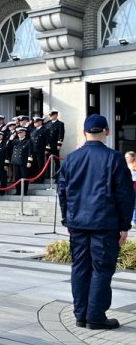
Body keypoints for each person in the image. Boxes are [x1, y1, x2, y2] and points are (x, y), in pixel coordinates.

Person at [57, 114, 135, 330]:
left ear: (84, 133)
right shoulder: (114, 158)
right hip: (105, 224)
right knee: (101, 269)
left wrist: (68, 220)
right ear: (107, 132)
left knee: (80, 268)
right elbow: (125, 194)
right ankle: (96, 317)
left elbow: (62, 192)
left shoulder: (71, 158)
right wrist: (124, 225)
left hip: (78, 224)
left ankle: (81, 315)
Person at [10, 127, 34, 196]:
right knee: (17, 178)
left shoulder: (28, 141)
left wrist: (29, 161)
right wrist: (11, 139)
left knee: (24, 177)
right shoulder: (15, 141)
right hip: (16, 161)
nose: (19, 134)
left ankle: (24, 192)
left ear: (24, 133)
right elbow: (7, 147)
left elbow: (30, 152)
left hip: (23, 162)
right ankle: (18, 191)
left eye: (21, 133)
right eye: (18, 133)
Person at [127, 151, 136, 227]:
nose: (126, 158)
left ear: (133, 157)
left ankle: (133, 220)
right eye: (125, 157)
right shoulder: (124, 165)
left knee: (134, 204)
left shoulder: (134, 166)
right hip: (126, 185)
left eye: (128, 157)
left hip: (134, 185)